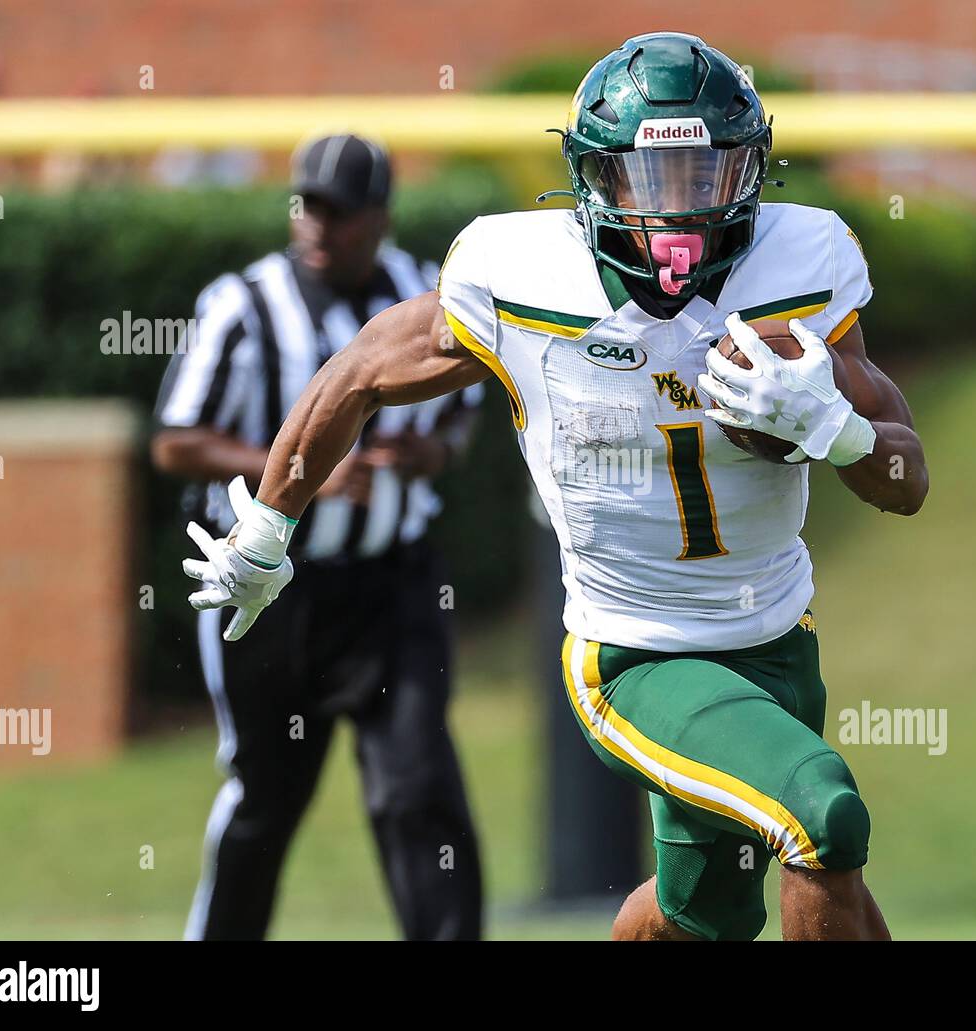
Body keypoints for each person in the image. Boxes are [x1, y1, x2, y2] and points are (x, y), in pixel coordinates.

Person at [180, 34, 928, 941]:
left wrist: (831, 428)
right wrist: (268, 525)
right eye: (649, 179)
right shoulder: (528, 276)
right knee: (824, 814)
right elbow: (361, 372)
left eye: (701, 172)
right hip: (634, 652)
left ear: (750, 168)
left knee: (702, 913)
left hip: (779, 640)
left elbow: (905, 478)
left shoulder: (800, 269)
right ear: (592, 179)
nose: (675, 210)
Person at [153, 133, 483, 941]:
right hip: (267, 596)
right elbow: (173, 439)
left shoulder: (422, 296)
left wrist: (427, 454)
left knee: (418, 790)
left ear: (380, 217)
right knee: (264, 798)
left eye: (337, 210)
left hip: (389, 584)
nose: (315, 224)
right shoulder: (243, 303)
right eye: (306, 204)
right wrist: (302, 473)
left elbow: (466, 420)